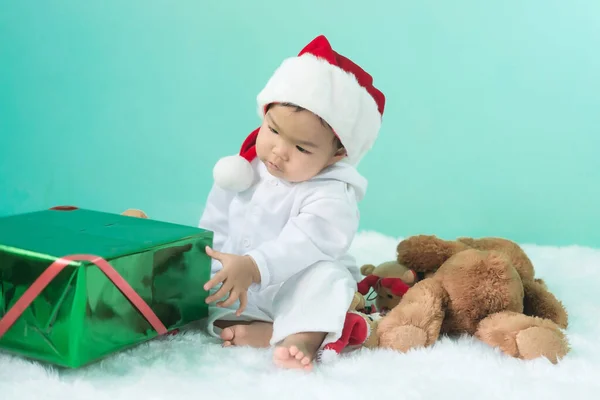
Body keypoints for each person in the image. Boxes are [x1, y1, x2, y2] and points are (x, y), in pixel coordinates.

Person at [198, 34, 385, 370]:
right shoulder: (241, 171)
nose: (278, 151)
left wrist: (255, 266)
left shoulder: (331, 192)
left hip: (293, 284)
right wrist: (211, 265)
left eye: (301, 148)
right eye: (272, 130)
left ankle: (303, 335)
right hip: (242, 283)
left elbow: (307, 241)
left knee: (328, 281)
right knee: (204, 300)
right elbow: (214, 224)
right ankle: (266, 330)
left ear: (337, 154)